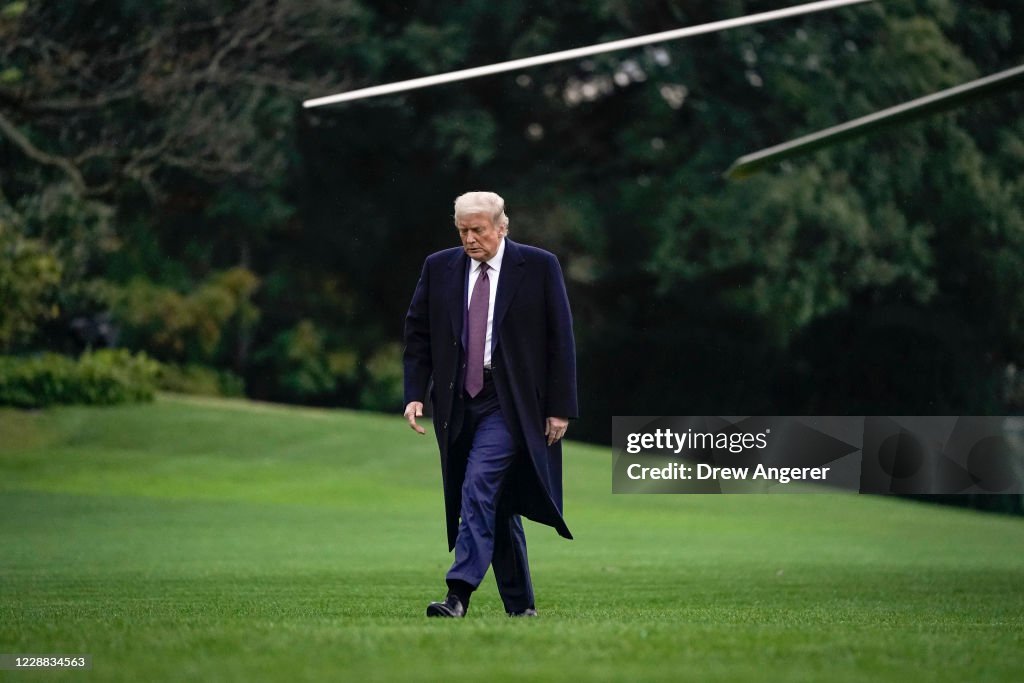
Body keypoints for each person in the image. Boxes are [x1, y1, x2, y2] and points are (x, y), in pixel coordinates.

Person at [403, 191, 578, 618]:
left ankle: (457, 593)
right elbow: (418, 334)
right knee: (495, 505)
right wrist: (413, 393)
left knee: (478, 486)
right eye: (462, 230)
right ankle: (522, 608)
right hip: (458, 404)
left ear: (502, 227)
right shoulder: (438, 267)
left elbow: (561, 338)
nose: (469, 239)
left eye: (478, 230)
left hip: (511, 402)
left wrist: (560, 407)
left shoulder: (538, 266)